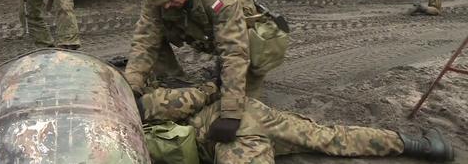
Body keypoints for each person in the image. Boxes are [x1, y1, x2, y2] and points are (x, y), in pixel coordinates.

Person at [125, 0, 288, 144]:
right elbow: (145, 39)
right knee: (155, 37)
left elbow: (234, 52)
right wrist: (131, 88)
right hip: (203, 33)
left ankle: (242, 95)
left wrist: (231, 113)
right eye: (161, 2)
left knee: (248, 113)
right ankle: (175, 82)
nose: (166, 5)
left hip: (245, 37)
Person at [139, 85, 455, 164]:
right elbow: (199, 94)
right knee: (328, 137)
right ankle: (424, 147)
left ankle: (421, 147)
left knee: (327, 138)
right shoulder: (129, 105)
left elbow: (197, 95)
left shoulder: (133, 108)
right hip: (238, 124)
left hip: (234, 131)